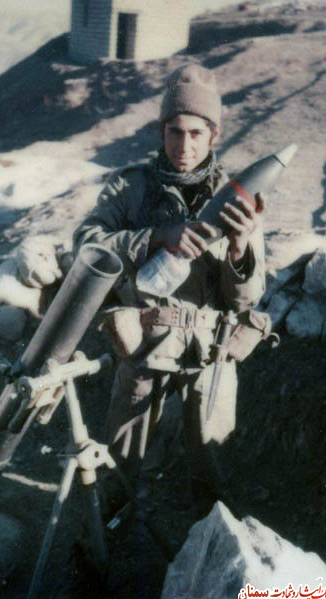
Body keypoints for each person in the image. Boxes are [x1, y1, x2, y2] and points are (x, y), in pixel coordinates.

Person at [73, 63, 266, 520]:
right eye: (175, 131)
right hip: (145, 344)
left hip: (211, 352)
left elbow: (246, 299)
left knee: (214, 476)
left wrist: (240, 247)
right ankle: (102, 546)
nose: (184, 146)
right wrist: (157, 237)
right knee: (120, 468)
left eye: (196, 134)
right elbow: (86, 246)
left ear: (214, 135)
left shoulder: (236, 198)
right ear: (162, 130)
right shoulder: (131, 187)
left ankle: (211, 555)